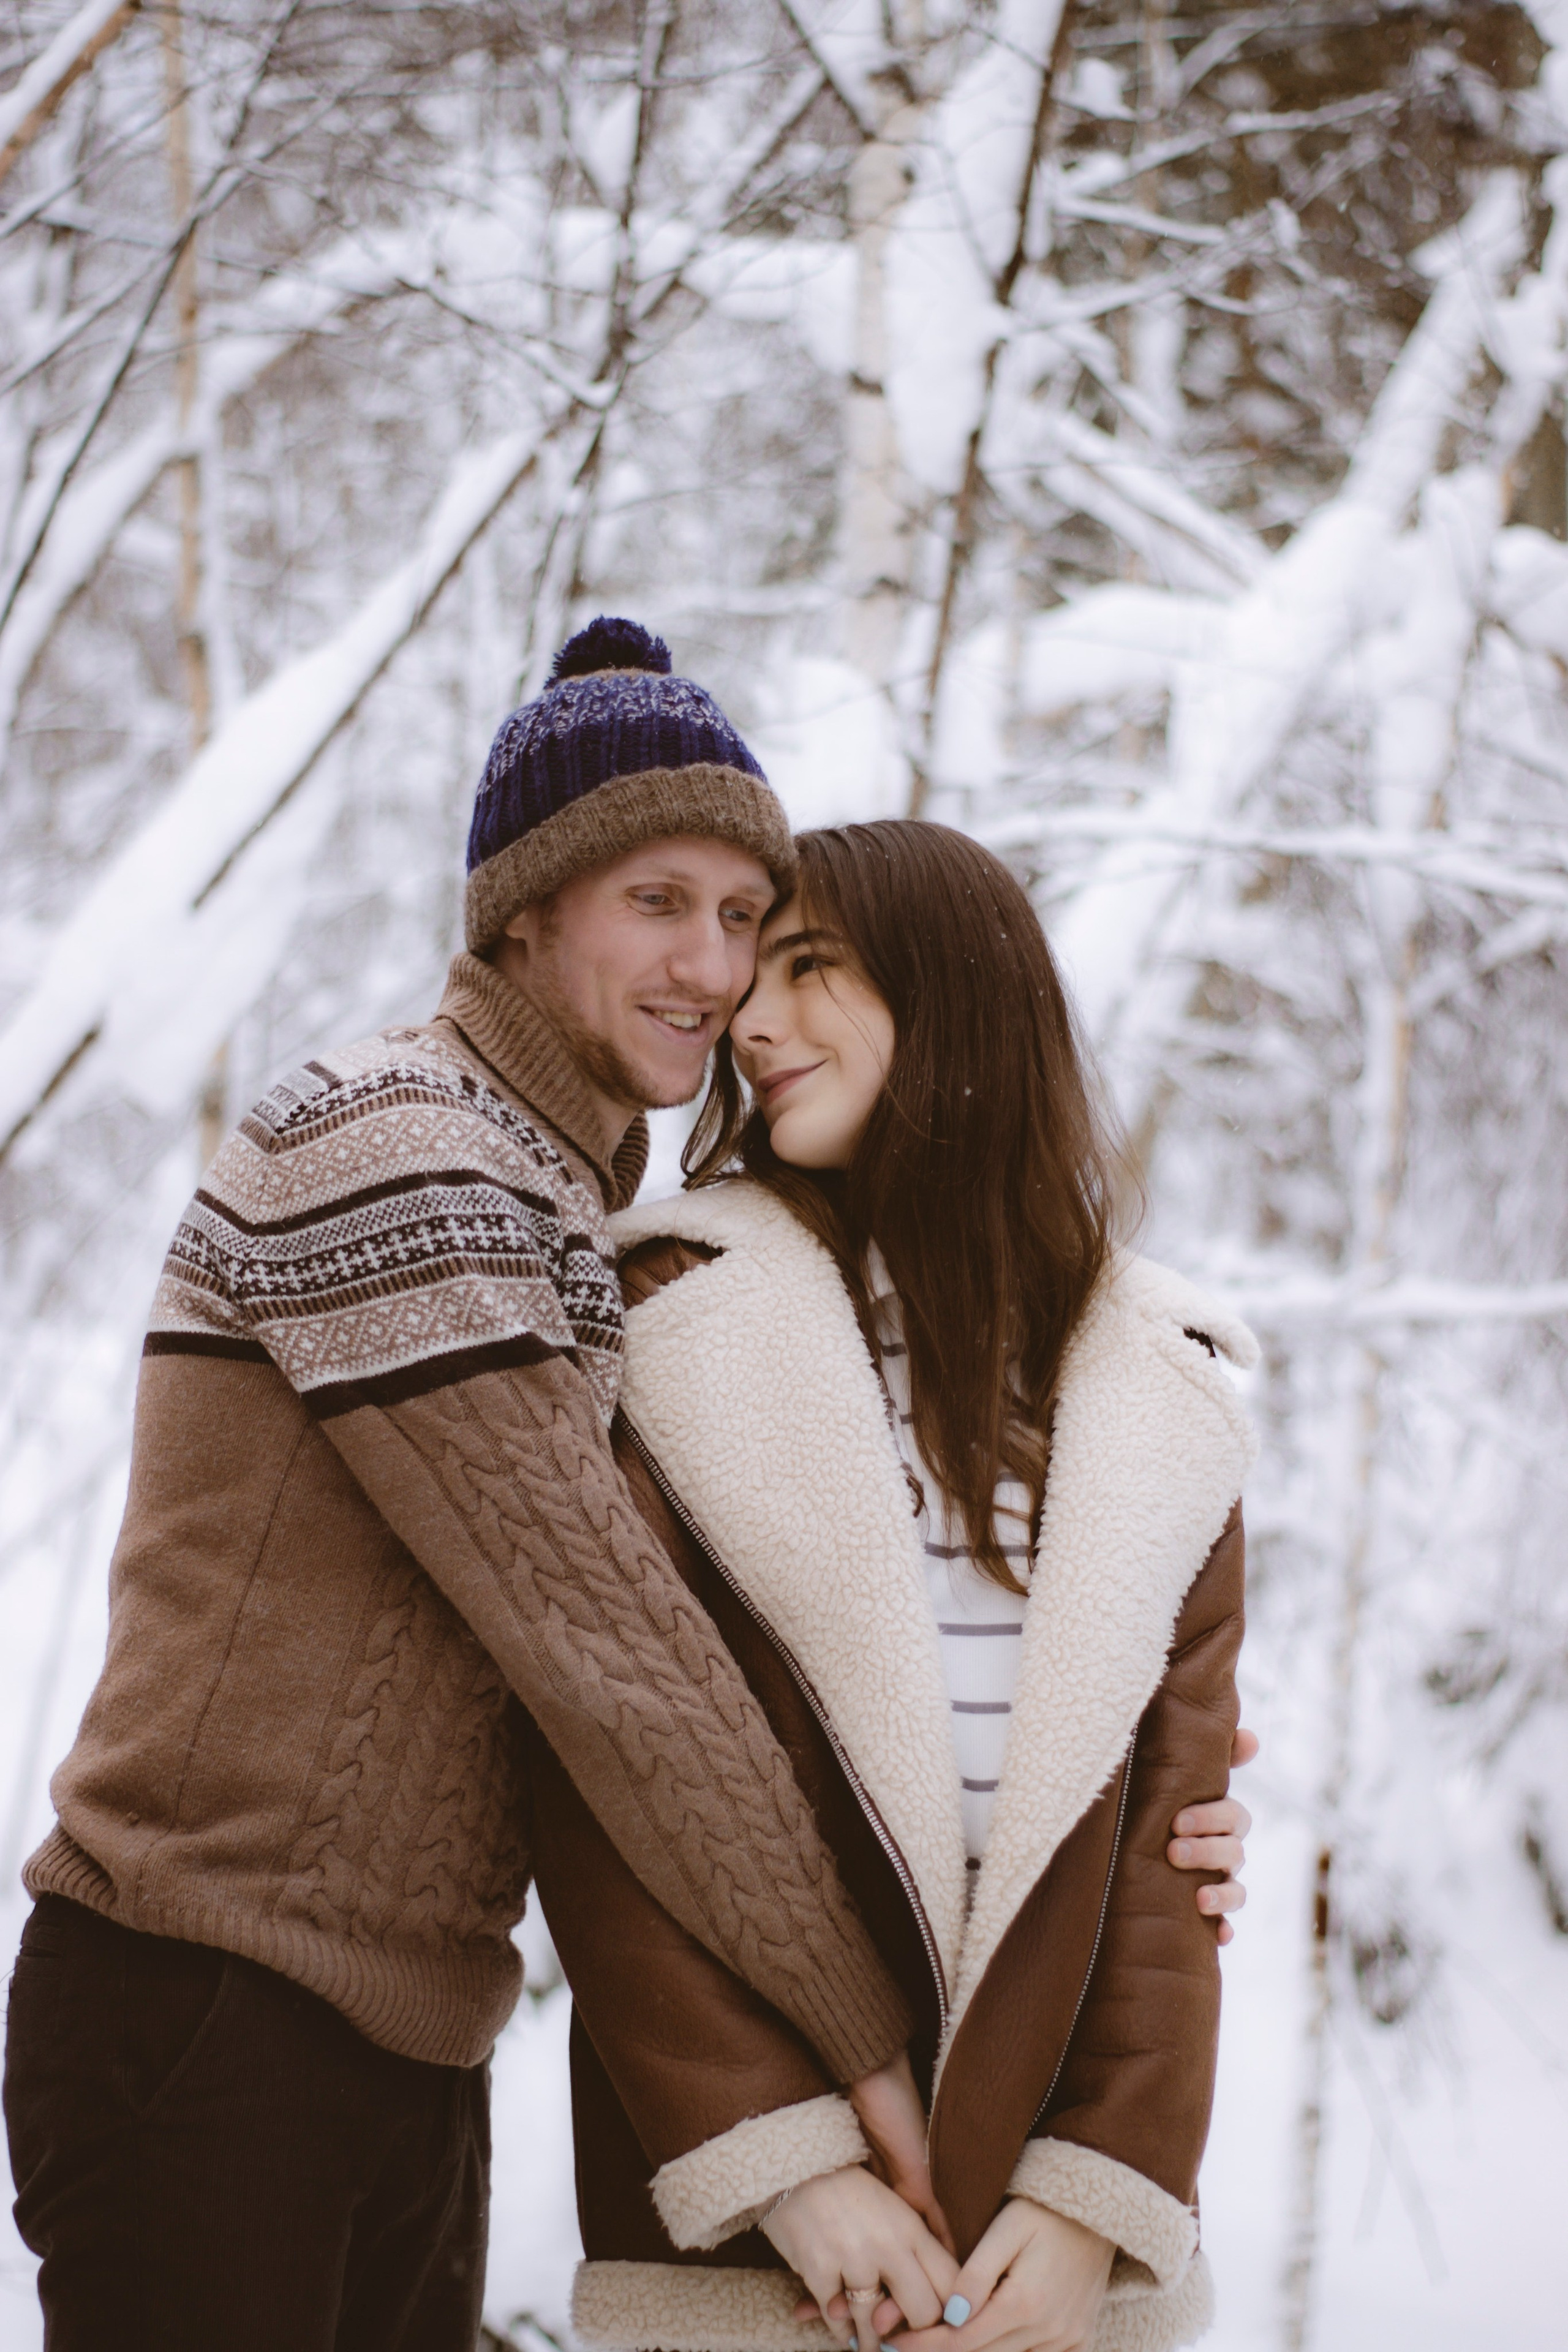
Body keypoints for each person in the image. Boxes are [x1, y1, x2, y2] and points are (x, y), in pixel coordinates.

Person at [4, 620, 1247, 2352]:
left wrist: (1137, 1815)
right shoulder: (398, 1147)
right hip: (216, 1997)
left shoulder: (560, 1206)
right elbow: (612, 1668)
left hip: (402, 2033)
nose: (717, 974)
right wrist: (854, 2081)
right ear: (522, 912)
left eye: (744, 917)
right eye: (660, 905)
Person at [526, 817, 1256, 2352]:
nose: (752, 1021)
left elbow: (1165, 1859)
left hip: (1034, 2277)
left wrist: (1088, 2205)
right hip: (755, 2257)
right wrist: (789, 2173)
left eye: (807, 967)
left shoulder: (1159, 1390)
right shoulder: (668, 1326)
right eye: (752, 981)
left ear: (952, 991)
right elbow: (606, 1783)